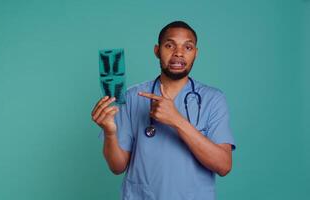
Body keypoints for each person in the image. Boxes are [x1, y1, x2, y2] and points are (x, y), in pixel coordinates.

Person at [91, 21, 236, 200]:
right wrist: (110, 133)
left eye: (188, 47)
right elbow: (117, 166)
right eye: (169, 45)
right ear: (157, 51)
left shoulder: (213, 99)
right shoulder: (131, 97)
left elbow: (224, 166)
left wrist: (176, 120)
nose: (179, 53)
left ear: (196, 53)